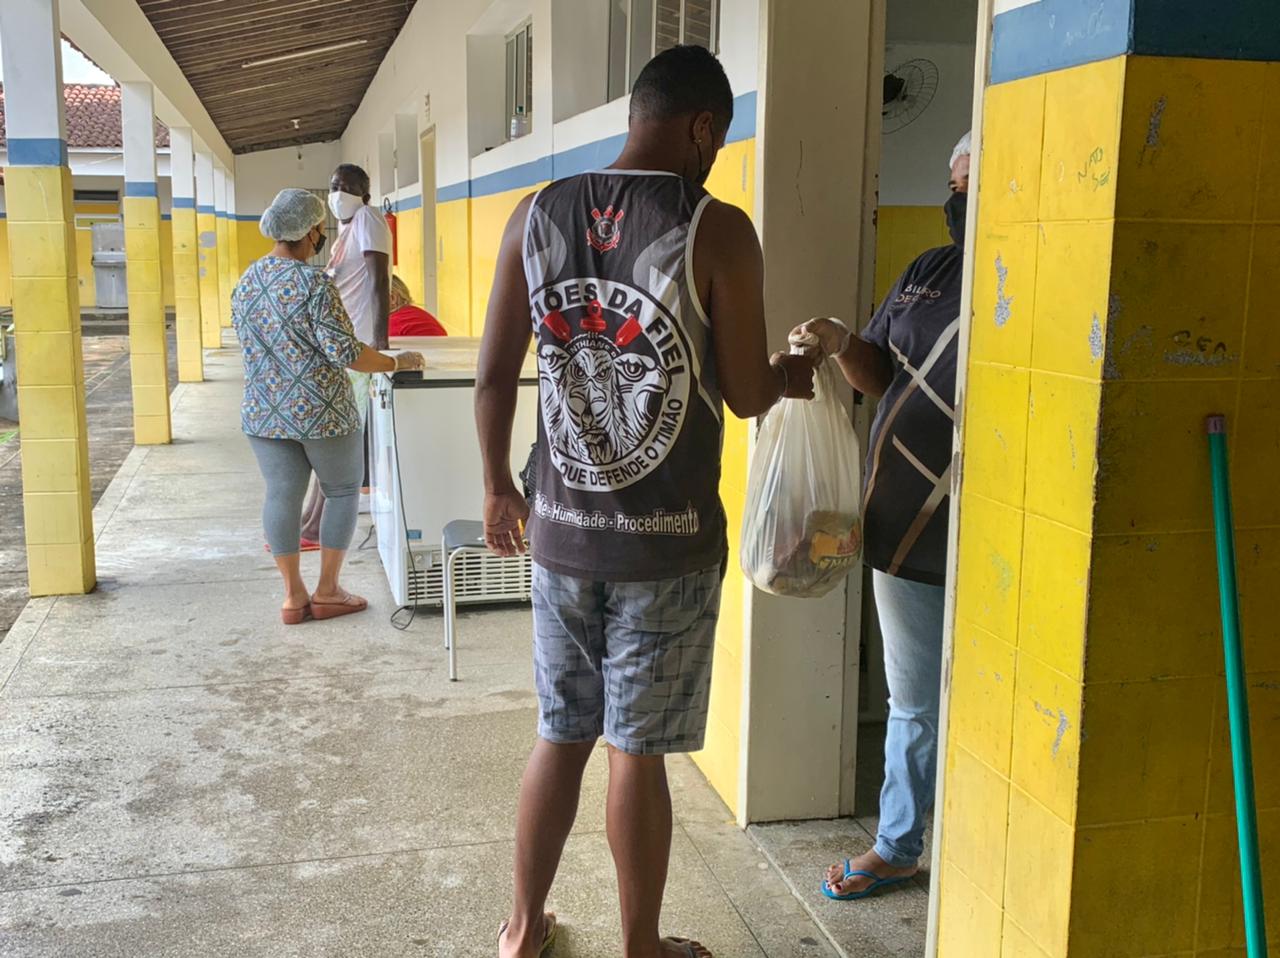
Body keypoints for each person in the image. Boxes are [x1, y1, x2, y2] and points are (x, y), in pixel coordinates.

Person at [476, 45, 816, 958]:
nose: (716, 156)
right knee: (636, 750)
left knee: (560, 734)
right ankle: (642, 948)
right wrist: (793, 373)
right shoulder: (717, 228)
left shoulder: (535, 213)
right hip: (666, 547)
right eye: (719, 138)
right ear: (701, 127)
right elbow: (744, 393)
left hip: (560, 533)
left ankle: (521, 931)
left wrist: (498, 487)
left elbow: (493, 375)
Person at [791, 132, 971, 902]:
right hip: (903, 528)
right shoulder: (928, 271)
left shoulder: (1037, 270)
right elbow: (877, 372)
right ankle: (898, 846)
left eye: (974, 183)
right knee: (915, 701)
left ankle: (965, 838)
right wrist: (841, 343)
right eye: (954, 184)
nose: (960, 199)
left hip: (988, 527)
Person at [234, 188, 424, 624]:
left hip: (264, 411)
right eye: (321, 228)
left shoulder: (248, 280)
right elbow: (346, 352)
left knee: (281, 494)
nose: (322, 235)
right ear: (310, 232)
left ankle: (292, 596)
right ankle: (328, 591)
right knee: (340, 492)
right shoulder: (313, 283)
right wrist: (397, 361)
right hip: (322, 411)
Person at [299, 164, 394, 542]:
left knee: (339, 443)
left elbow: (379, 281)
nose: (339, 194)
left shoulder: (368, 218)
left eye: (348, 188)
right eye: (334, 186)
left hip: (358, 349)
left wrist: (381, 345)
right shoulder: (344, 232)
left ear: (365, 195)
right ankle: (311, 518)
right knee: (329, 438)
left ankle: (315, 527)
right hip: (339, 348)